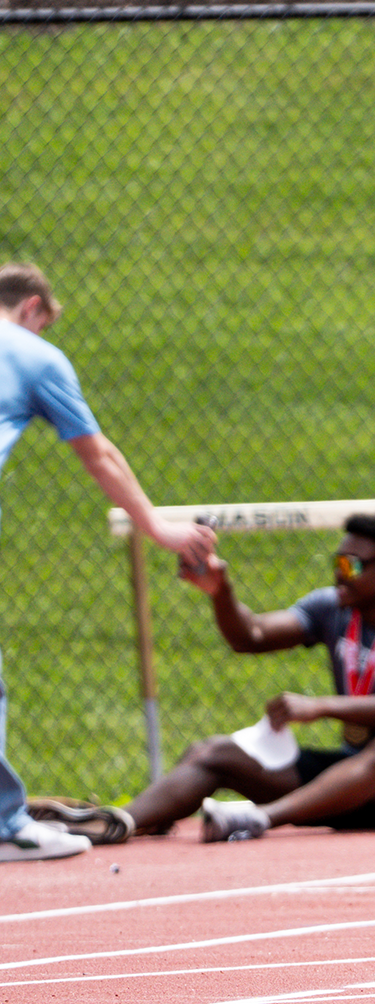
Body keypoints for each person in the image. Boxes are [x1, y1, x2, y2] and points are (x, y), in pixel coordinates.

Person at [62, 512, 375, 844]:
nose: (340, 574)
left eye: (353, 564)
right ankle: (115, 824)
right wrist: (220, 592)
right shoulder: (332, 608)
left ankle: (257, 819)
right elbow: (251, 636)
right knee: (212, 752)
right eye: (338, 562)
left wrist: (322, 707)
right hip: (350, 781)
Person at [0, 262, 218, 863]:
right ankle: (4, 824)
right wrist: (160, 529)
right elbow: (99, 455)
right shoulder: (33, 355)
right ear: (34, 308)